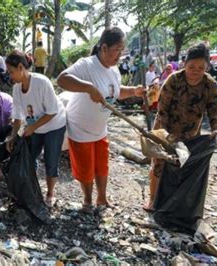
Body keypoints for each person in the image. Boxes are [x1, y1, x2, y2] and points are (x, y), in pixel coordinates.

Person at [57, 27, 145, 212]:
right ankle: (88, 200)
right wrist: (88, 88)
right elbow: (62, 80)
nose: (120, 55)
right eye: (117, 50)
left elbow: (116, 92)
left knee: (102, 166)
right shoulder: (87, 65)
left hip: (100, 129)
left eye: (122, 50)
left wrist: (134, 91)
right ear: (104, 48)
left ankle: (102, 198)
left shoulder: (113, 70)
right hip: (81, 127)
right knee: (85, 167)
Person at [145, 43, 217, 211]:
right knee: (159, 165)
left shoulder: (210, 85)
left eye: (201, 67)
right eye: (192, 66)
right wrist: (166, 139)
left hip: (191, 135)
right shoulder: (174, 80)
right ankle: (152, 200)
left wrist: (216, 129)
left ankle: (173, 204)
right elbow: (162, 110)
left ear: (207, 67)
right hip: (165, 130)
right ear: (184, 64)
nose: (196, 71)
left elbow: (215, 111)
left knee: (182, 167)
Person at [5, 50, 67, 207]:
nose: (10, 76)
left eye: (11, 72)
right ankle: (32, 189)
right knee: (29, 158)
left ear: (21, 67)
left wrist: (32, 127)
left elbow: (52, 112)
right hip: (35, 127)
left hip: (54, 125)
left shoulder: (42, 82)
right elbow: (18, 115)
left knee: (50, 160)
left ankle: (50, 193)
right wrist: (13, 135)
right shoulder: (17, 88)